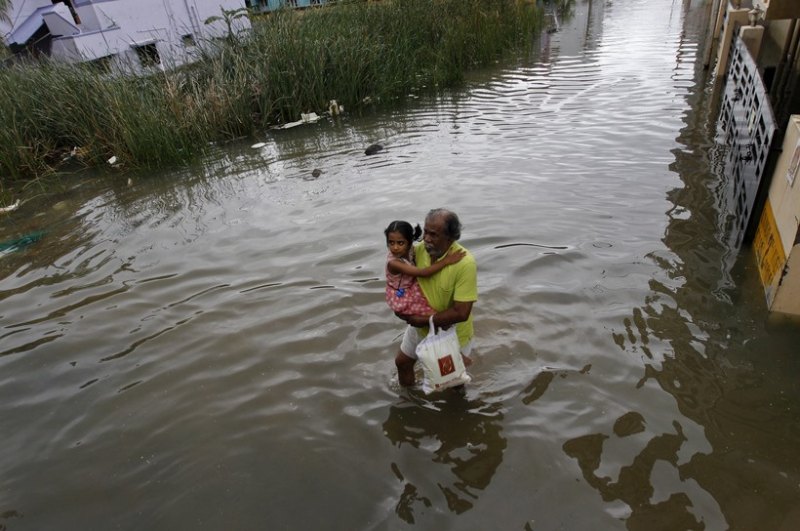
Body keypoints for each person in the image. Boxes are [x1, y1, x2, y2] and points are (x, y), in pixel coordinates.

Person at [393, 209, 477, 387]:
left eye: (433, 234)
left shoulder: (465, 263)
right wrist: (400, 308)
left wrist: (422, 320)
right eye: (425, 232)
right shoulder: (418, 251)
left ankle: (457, 411)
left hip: (451, 335)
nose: (427, 239)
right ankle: (408, 403)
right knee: (402, 363)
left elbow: (461, 312)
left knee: (453, 383)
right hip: (420, 326)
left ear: (450, 238)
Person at [384, 220, 465, 316]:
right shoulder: (394, 263)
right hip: (402, 295)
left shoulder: (410, 249)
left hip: (410, 286)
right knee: (432, 313)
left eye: (400, 243)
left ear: (410, 242)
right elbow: (423, 273)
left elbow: (420, 246)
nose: (395, 247)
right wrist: (446, 261)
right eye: (391, 243)